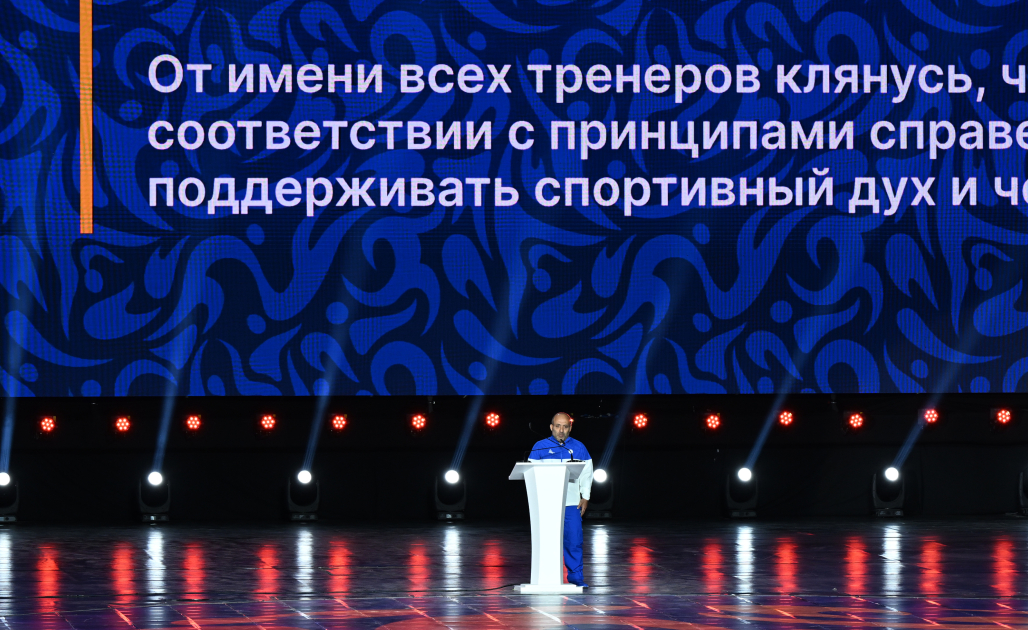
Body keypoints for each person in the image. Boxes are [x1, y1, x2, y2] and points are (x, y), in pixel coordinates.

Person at [527, 412, 593, 588]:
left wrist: (585, 496)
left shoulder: (578, 447)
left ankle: (576, 578)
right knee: (547, 541)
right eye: (558, 426)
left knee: (574, 540)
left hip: (571, 503)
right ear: (551, 427)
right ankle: (547, 577)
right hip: (547, 503)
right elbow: (530, 473)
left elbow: (587, 473)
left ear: (570, 428)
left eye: (565, 426)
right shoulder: (539, 447)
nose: (561, 430)